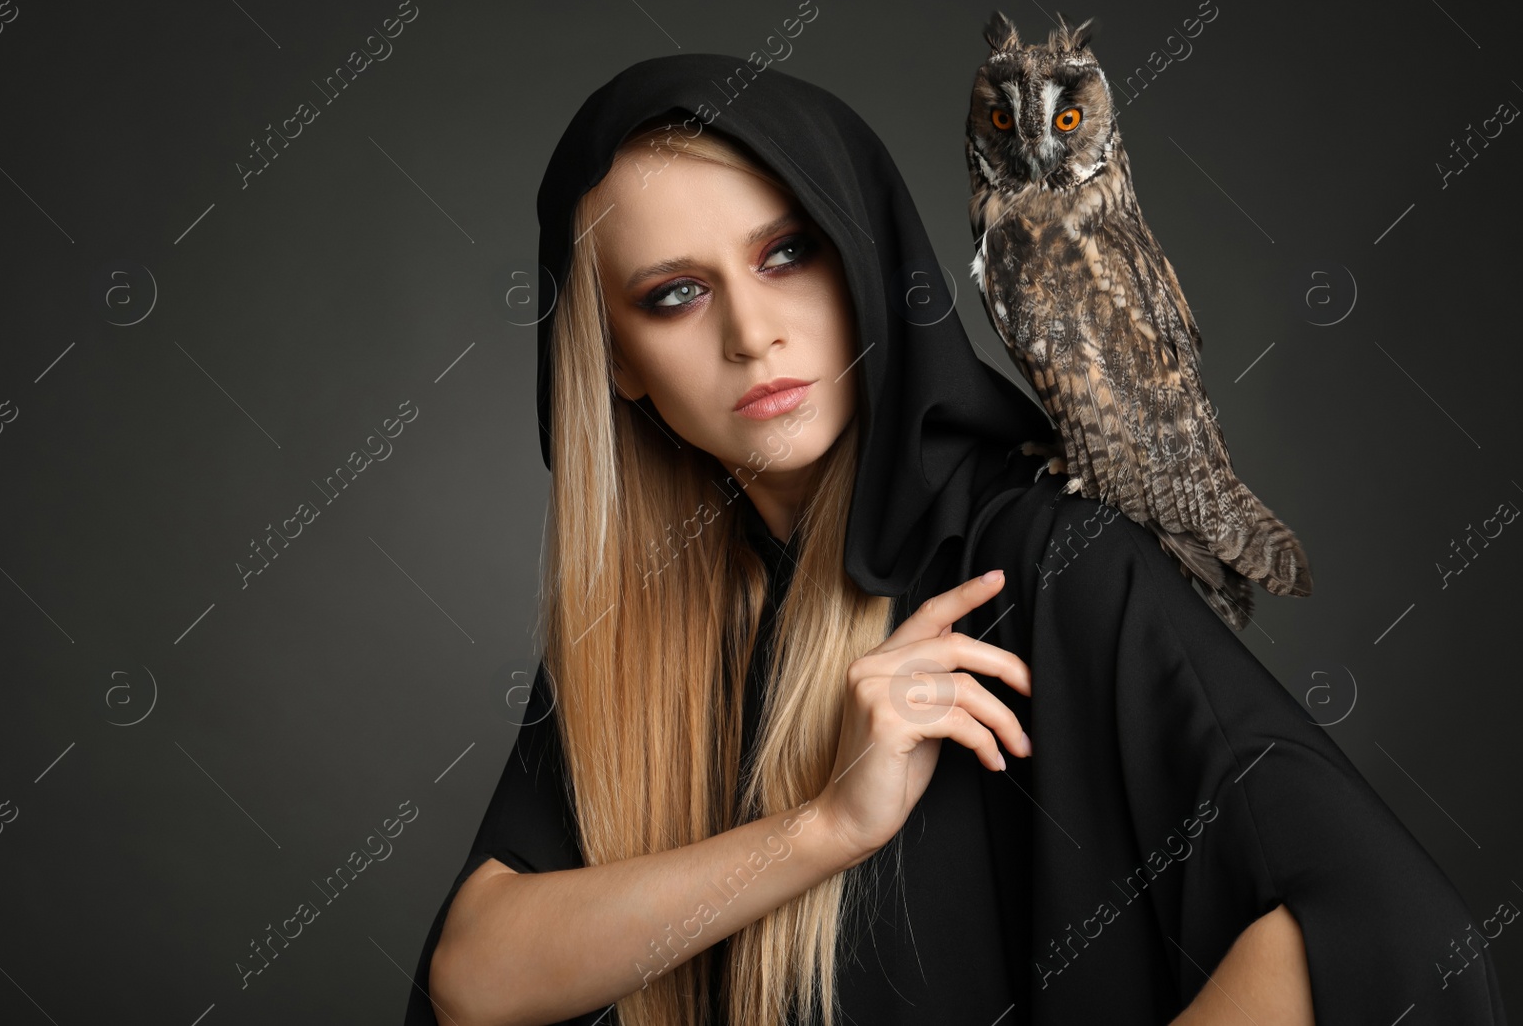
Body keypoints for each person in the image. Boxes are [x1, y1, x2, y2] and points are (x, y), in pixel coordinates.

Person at [404, 54, 1508, 1026]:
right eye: (676, 294)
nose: (751, 332)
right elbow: (475, 977)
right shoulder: (645, 623)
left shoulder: (1037, 558)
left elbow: (1378, 929)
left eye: (788, 252)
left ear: (866, 256)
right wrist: (825, 824)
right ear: (615, 365)